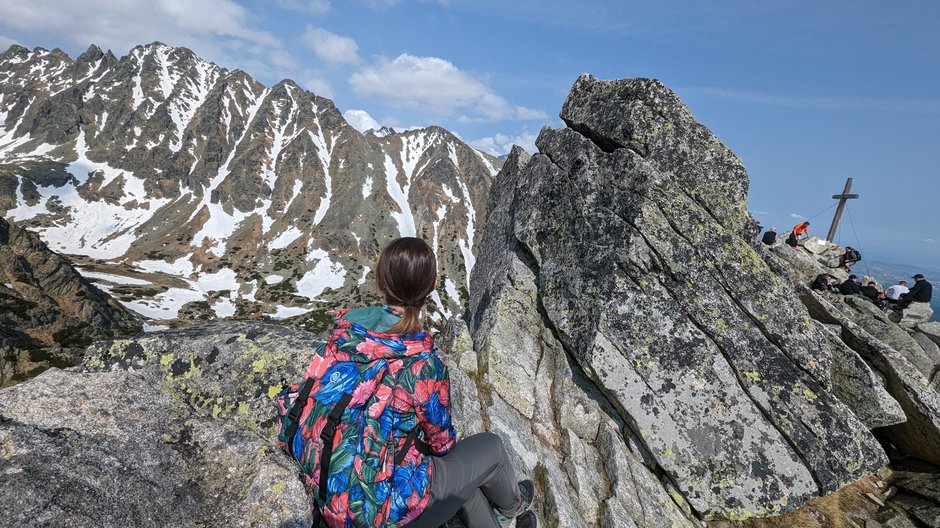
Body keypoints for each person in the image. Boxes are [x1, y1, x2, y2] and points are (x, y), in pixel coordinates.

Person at [287, 237, 536, 528]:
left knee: (465, 490)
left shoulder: (345, 330)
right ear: (429, 289)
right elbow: (442, 444)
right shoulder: (423, 363)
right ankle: (515, 506)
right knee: (492, 448)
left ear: (382, 280)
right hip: (375, 512)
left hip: (326, 484)